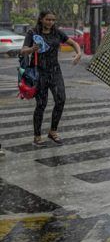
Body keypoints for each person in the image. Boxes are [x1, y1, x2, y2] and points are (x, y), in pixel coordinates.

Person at [20, 10, 82, 147]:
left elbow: (73, 43)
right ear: (41, 19)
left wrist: (78, 53)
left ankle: (53, 131)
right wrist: (32, 49)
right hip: (39, 72)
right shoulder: (33, 32)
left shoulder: (57, 32)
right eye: (48, 19)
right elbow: (22, 50)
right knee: (41, 104)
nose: (51, 22)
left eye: (53, 20)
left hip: (55, 71)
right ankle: (37, 135)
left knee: (61, 99)